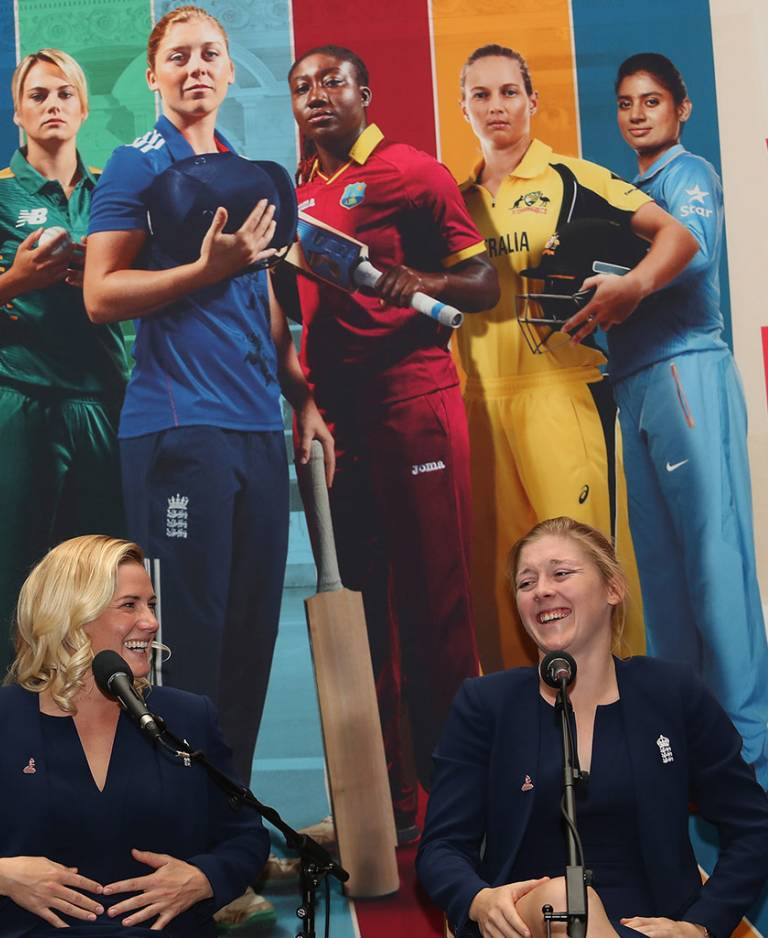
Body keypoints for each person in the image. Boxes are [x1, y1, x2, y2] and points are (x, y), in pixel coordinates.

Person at [83, 2, 333, 801]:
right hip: (179, 428)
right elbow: (100, 293)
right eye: (180, 56)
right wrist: (201, 269)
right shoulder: (133, 164)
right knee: (186, 642)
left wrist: (300, 399)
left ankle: (228, 829)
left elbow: (262, 302)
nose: (196, 68)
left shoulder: (248, 170)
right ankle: (176, 834)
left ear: (229, 71)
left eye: (210, 55)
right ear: (155, 75)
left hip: (258, 426)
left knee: (251, 637)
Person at [284, 44, 497, 843]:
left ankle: (461, 812)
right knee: (362, 612)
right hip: (336, 424)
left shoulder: (413, 171)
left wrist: (425, 284)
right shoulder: (296, 190)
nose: (315, 97)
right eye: (302, 87)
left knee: (436, 610)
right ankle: (389, 809)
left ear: (365, 93)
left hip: (415, 404)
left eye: (331, 83)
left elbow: (483, 286)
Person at [455, 44, 697, 673]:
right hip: (477, 403)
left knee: (582, 573)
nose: (496, 106)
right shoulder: (452, 200)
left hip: (559, 395)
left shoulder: (572, 179)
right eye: (481, 94)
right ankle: (529, 743)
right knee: (504, 584)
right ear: (464, 108)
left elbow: (679, 236)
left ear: (533, 101)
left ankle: (617, 734)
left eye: (509, 91)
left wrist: (633, 287)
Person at [0, 535, 270, 937]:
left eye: (151, 605)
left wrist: (204, 878)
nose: (150, 621)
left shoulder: (188, 717)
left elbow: (246, 837)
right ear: (71, 616)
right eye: (130, 605)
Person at [416, 517, 768, 938]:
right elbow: (441, 847)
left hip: (654, 927)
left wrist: (699, 926)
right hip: (529, 922)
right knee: (567, 904)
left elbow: (754, 826)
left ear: (613, 589)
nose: (542, 589)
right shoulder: (485, 704)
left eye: (560, 573)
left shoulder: (673, 693)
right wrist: (479, 899)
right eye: (526, 583)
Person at [0, 49, 130, 695]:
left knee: (98, 587)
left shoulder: (115, 190)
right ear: (17, 112)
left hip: (100, 401)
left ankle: (100, 738)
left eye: (64, 94)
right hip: (14, 397)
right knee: (4, 586)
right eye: (37, 95)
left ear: (84, 108)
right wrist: (12, 280)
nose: (52, 106)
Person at [602, 52, 768, 787]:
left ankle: (748, 755)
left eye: (653, 102)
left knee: (713, 563)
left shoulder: (687, 176)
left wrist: (622, 282)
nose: (639, 114)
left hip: (686, 370)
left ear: (681, 109)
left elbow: (692, 258)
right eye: (627, 103)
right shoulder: (625, 194)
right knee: (661, 572)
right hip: (634, 380)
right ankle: (690, 747)